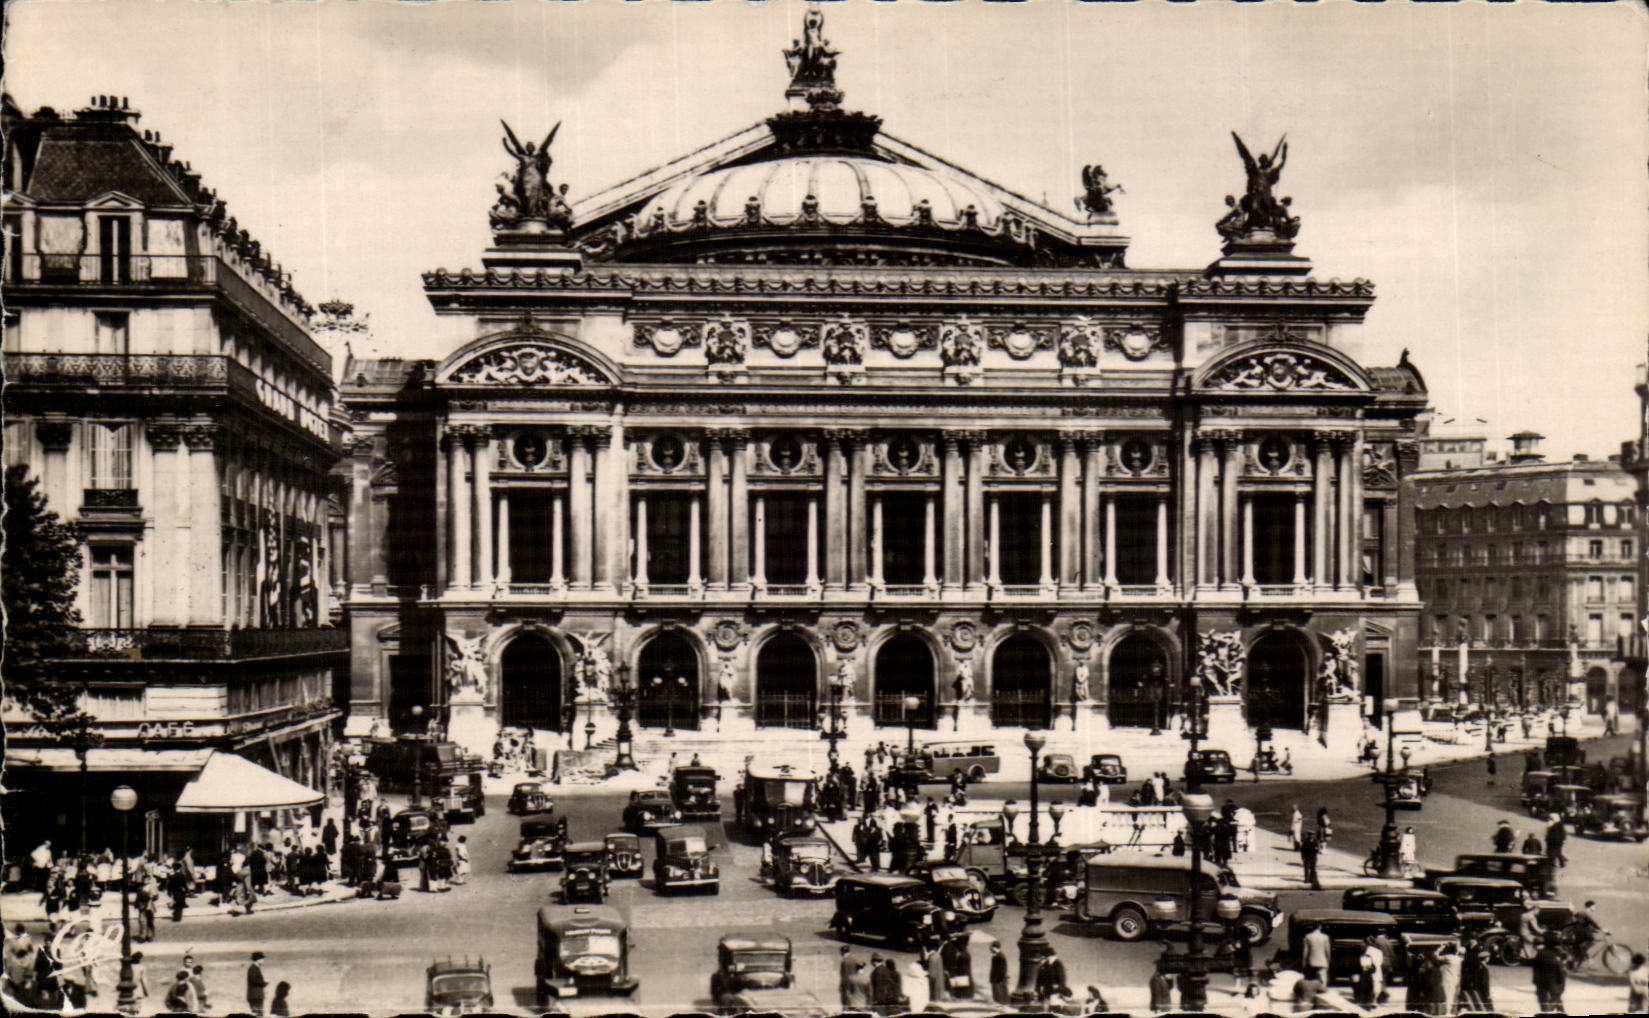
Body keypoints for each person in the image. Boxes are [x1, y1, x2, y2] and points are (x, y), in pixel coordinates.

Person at [1533, 934, 1567, 1013]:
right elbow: (1560, 971)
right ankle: (1552, 1011)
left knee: (1546, 1000)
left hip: (1541, 982)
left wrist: (1536, 981)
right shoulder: (1556, 955)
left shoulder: (1540, 954)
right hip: (1553, 981)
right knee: (1555, 997)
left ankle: (1558, 1010)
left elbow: (1536, 969)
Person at [247, 950, 268, 1015]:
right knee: (258, 1013)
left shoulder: (254, 968)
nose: (263, 960)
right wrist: (264, 983)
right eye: (262, 959)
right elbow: (254, 981)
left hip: (255, 995)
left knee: (257, 1013)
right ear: (258, 959)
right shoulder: (253, 968)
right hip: (256, 996)